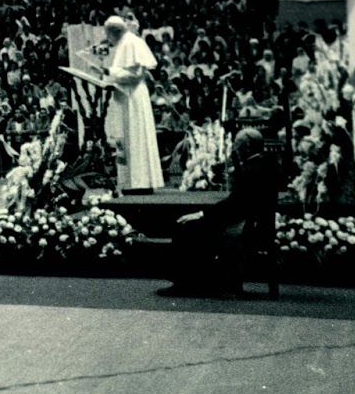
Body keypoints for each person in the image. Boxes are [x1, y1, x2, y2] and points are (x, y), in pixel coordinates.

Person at [160, 127, 279, 298]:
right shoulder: (265, 164)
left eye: (236, 145)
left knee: (186, 227)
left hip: (244, 225)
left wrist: (202, 214)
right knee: (196, 224)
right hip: (252, 222)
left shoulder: (252, 170)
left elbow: (235, 204)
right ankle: (201, 281)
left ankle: (187, 283)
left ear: (247, 147)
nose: (234, 149)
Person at [102, 15, 164, 193]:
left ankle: (139, 182)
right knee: (129, 138)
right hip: (127, 96)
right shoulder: (127, 42)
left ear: (114, 32)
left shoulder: (130, 42)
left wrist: (109, 72)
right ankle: (132, 181)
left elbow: (134, 74)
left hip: (133, 97)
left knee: (136, 138)